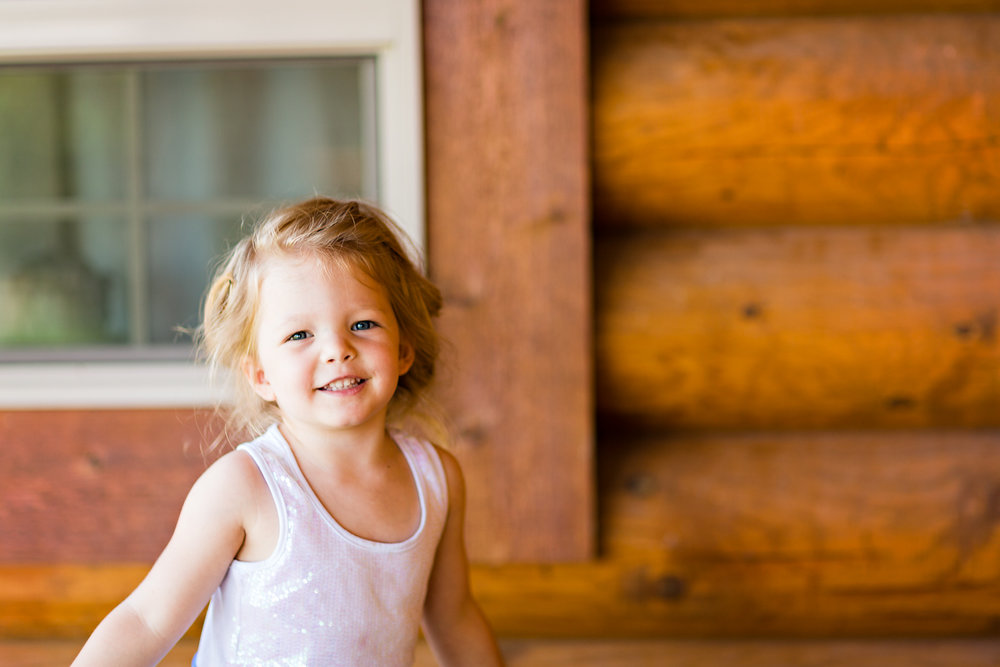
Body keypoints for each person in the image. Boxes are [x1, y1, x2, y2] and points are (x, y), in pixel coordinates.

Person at [72, 197, 504, 666]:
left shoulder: (436, 480)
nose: (338, 350)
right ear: (261, 375)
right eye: (300, 336)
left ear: (403, 350)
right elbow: (146, 619)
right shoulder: (245, 486)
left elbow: (455, 618)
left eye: (363, 324)